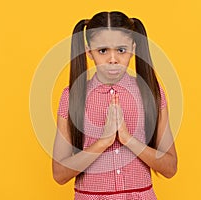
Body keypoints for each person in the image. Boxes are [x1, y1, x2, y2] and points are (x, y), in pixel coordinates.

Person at [52, 11, 177, 199]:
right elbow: (59, 174)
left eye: (121, 50)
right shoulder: (71, 97)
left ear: (133, 48)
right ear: (89, 52)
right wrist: (104, 141)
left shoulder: (151, 92)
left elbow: (170, 167)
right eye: (103, 51)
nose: (113, 59)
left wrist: (128, 139)